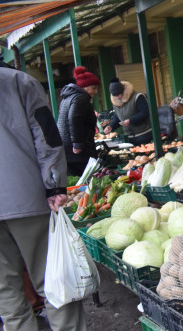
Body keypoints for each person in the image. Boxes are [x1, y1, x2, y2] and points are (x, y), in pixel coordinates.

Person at [0, 66, 88, 330]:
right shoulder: (17, 81)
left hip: (22, 199)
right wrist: (54, 185)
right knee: (53, 281)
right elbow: (47, 135)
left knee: (6, 293)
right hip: (26, 198)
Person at [57, 66, 100, 176]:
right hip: (77, 151)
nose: (95, 91)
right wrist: (78, 143)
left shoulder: (67, 98)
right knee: (86, 179)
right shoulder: (80, 98)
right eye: (93, 88)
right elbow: (74, 118)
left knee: (76, 180)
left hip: (66, 148)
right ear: (85, 87)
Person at [103, 77, 153, 145]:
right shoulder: (116, 102)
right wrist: (111, 126)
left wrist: (130, 120)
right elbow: (117, 118)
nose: (118, 97)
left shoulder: (137, 97)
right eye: (115, 96)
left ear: (123, 90)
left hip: (144, 134)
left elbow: (145, 113)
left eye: (119, 94)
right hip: (129, 137)